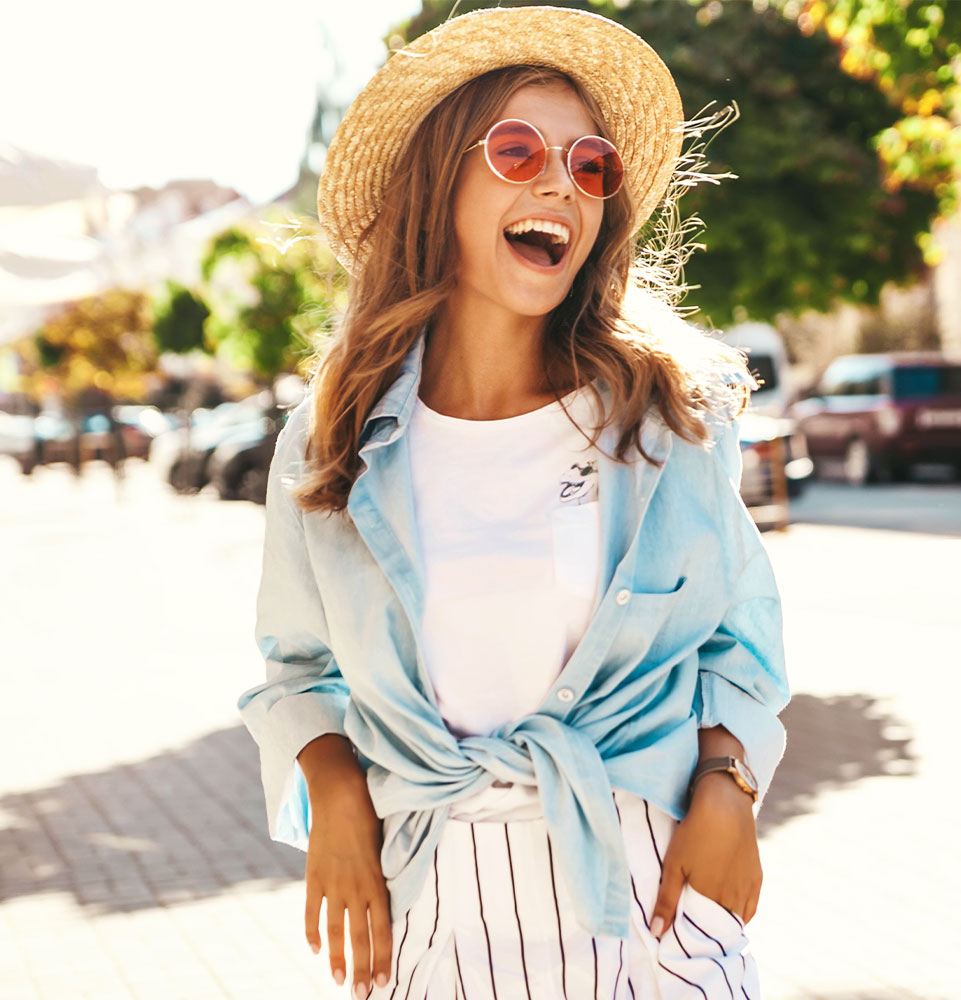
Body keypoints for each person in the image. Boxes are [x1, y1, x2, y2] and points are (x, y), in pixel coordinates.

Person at [238, 6, 789, 999]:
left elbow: (740, 644)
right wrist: (332, 791)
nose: (558, 183)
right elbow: (294, 668)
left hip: (651, 900)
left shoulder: (666, 418)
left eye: (590, 166)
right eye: (517, 149)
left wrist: (729, 782)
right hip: (434, 902)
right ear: (437, 181)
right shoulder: (333, 447)